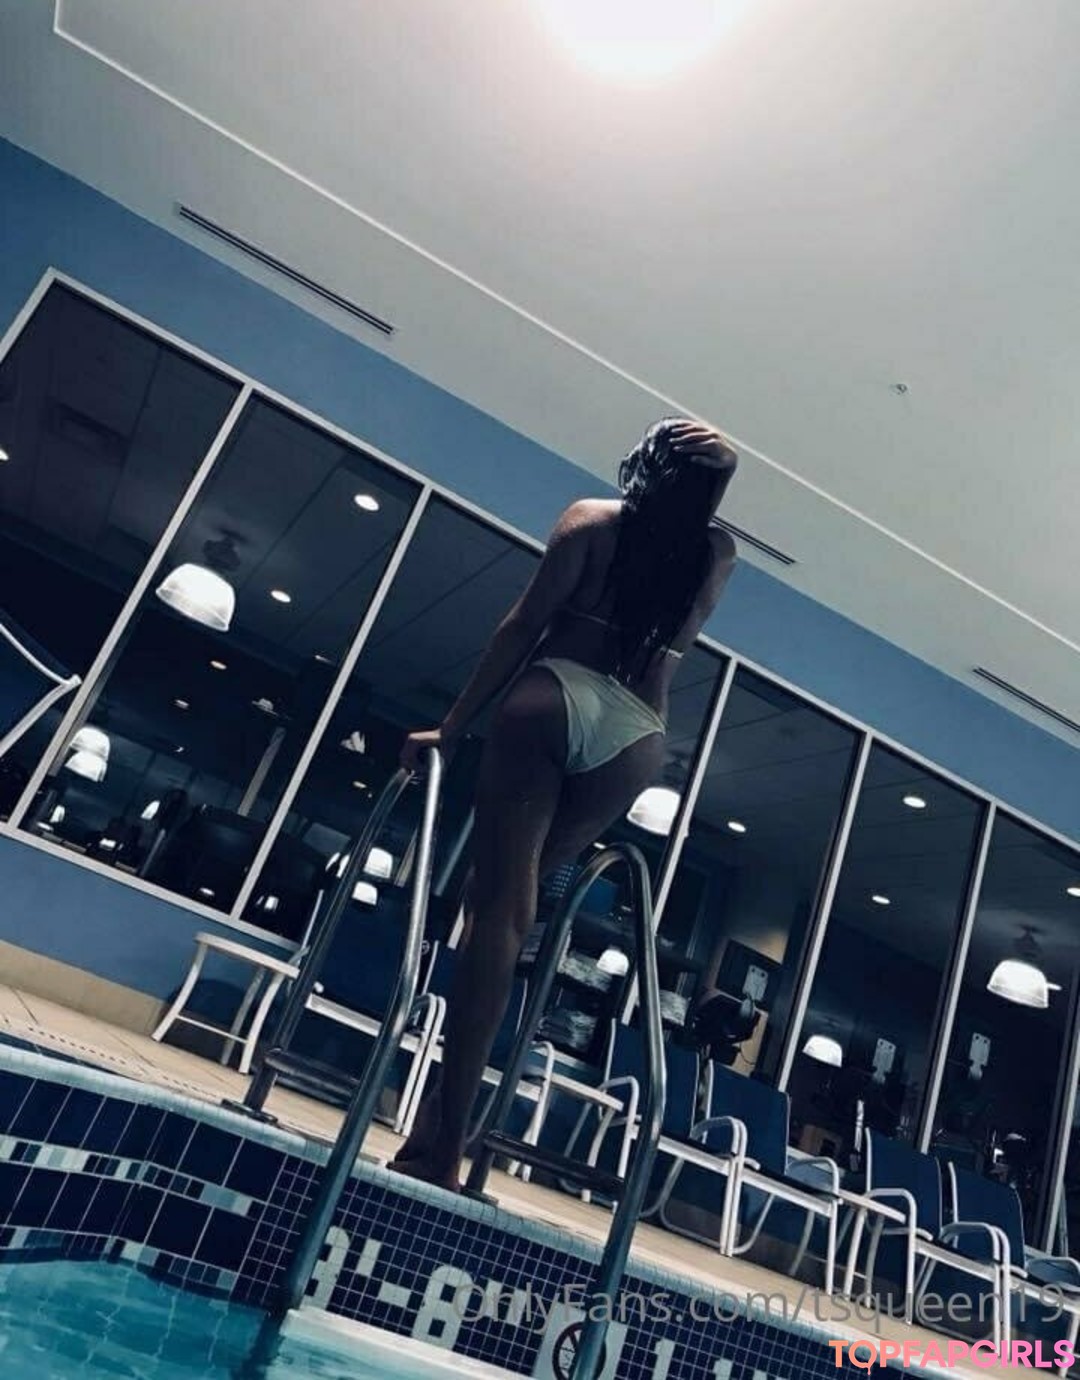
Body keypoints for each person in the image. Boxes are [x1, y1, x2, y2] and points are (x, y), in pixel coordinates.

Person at [392, 417, 739, 1190]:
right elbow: (676, 634)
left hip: (553, 695)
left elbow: (522, 627)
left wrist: (452, 726)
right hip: (637, 733)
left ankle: (440, 1147)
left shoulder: (591, 522)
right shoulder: (716, 554)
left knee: (497, 915)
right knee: (515, 914)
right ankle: (449, 1129)